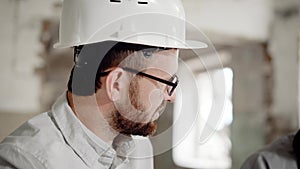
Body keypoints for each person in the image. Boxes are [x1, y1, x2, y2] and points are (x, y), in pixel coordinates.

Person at [0, 0, 207, 169]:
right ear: (116, 84)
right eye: (165, 82)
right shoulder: (25, 161)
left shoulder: (138, 150)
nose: (172, 96)